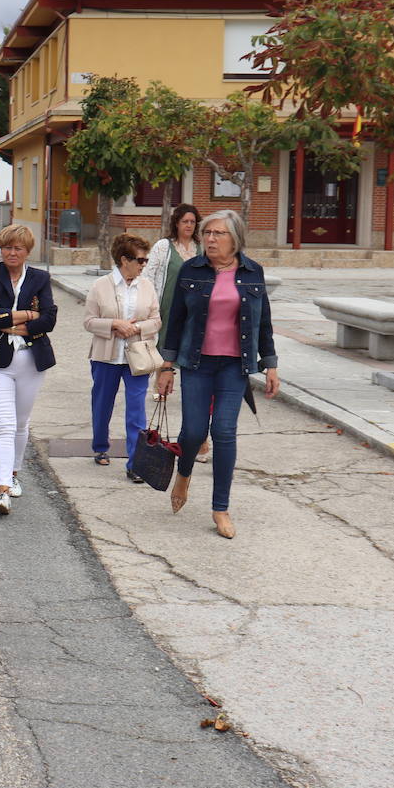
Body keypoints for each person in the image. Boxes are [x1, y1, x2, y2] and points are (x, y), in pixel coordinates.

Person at [156, 209, 280, 539]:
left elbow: (263, 320)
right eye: (206, 233)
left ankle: (220, 508)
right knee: (194, 431)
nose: (209, 239)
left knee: (224, 432)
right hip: (197, 364)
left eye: (218, 234)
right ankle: (183, 473)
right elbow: (175, 321)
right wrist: (166, 367)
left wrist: (271, 364)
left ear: (235, 239)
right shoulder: (191, 269)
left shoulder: (253, 272)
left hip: (233, 366)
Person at [0, 224, 57, 515]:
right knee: (4, 425)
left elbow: (49, 318)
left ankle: (14, 473)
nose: (11, 252)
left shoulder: (40, 278)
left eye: (17, 248)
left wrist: (9, 318)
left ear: (27, 252)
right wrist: (26, 315)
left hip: (31, 361)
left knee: (21, 423)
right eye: (7, 247)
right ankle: (2, 491)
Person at [83, 233, 160, 483]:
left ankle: (135, 463)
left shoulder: (147, 286)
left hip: (137, 357)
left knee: (137, 410)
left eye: (145, 260)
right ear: (124, 260)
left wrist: (136, 328)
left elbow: (156, 320)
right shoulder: (100, 286)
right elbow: (89, 321)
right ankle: (100, 445)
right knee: (102, 404)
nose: (143, 265)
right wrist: (114, 324)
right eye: (140, 260)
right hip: (106, 356)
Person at [144, 203, 209, 462]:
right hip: (169, 308)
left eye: (193, 222)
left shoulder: (202, 248)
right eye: (185, 222)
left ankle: (199, 439)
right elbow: (149, 277)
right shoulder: (163, 247)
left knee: (191, 360)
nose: (189, 226)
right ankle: (161, 385)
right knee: (165, 352)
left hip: (196, 314)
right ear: (176, 223)